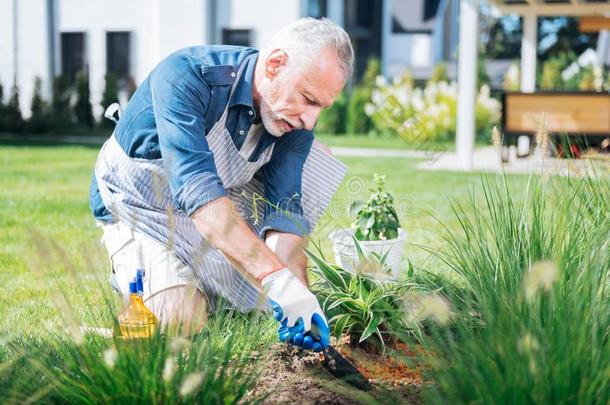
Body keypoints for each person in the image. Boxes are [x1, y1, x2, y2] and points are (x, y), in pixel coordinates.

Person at [91, 18, 353, 351]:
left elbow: (283, 210)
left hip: (217, 200)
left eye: (321, 108)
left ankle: (208, 279)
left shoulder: (293, 120)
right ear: (275, 65)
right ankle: (141, 281)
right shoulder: (189, 75)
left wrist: (298, 295)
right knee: (182, 316)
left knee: (319, 158)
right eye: (309, 100)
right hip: (140, 207)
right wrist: (276, 280)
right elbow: (199, 194)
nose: (310, 120)